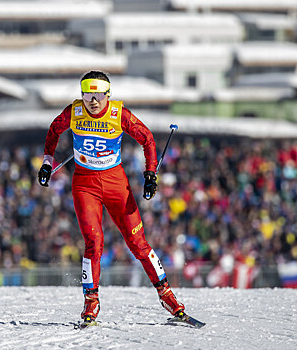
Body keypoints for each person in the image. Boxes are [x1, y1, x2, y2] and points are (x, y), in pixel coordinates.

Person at [38, 70, 186, 325]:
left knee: (137, 242)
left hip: (115, 182)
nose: (92, 101)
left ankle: (167, 295)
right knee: (93, 242)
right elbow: (53, 131)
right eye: (87, 94)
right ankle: (91, 302)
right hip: (85, 184)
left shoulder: (119, 114)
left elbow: (148, 139)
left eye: (97, 95)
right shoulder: (74, 112)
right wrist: (47, 163)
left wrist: (150, 175)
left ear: (107, 95)